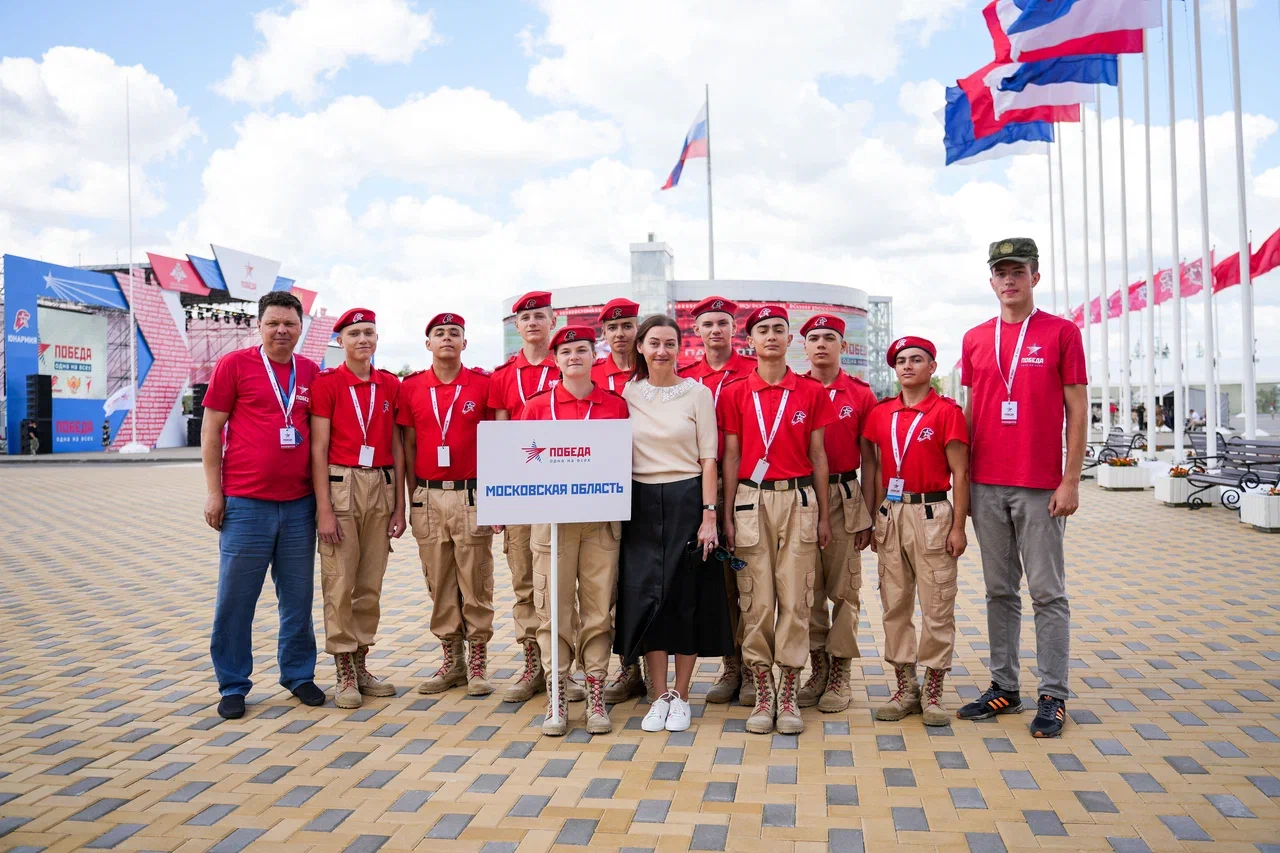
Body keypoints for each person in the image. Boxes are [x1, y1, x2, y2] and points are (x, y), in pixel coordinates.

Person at [958, 238, 1087, 739]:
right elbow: (971, 412)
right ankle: (1004, 686)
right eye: (1001, 272)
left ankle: (1053, 693)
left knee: (1048, 593)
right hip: (987, 483)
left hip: (1039, 485)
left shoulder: (1061, 333)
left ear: (1035, 277)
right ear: (991, 281)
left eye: (1019, 271)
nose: (1009, 280)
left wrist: (1070, 478)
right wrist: (964, 488)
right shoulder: (974, 338)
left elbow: (1077, 410)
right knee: (997, 591)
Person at [201, 291, 324, 720]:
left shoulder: (311, 372)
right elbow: (212, 430)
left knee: (297, 599)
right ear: (259, 326)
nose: (281, 331)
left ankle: (298, 674)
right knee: (236, 599)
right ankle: (233, 683)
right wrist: (215, 492)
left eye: (289, 323)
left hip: (297, 506)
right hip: (245, 505)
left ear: (300, 327)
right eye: (273, 323)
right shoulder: (234, 365)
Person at [720, 305, 835, 735]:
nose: (771, 336)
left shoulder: (809, 391)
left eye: (779, 330)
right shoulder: (734, 391)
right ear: (749, 341)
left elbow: (819, 455)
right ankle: (762, 691)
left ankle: (788, 692)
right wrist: (728, 513)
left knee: (796, 598)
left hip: (799, 498)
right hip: (751, 500)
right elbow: (731, 454)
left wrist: (824, 514)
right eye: (762, 330)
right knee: (756, 599)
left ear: (791, 340)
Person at [614, 315, 731, 733]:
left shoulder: (698, 394)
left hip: (687, 498)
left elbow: (709, 459)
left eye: (669, 343)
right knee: (648, 597)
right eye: (653, 343)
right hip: (640, 502)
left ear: (680, 348)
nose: (661, 351)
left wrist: (708, 514)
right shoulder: (626, 393)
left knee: (685, 597)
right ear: (640, 348)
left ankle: (682, 696)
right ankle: (657, 694)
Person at [521, 325, 630, 736]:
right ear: (556, 359)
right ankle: (558, 691)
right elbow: (519, 462)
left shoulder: (613, 406)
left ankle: (597, 689)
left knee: (600, 608)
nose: (574, 357)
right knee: (554, 609)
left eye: (582, 350)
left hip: (600, 521)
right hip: (553, 523)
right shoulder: (537, 407)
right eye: (566, 352)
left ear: (593, 355)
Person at [861, 336, 969, 727]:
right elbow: (871, 468)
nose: (907, 366)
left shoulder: (946, 412)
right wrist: (874, 518)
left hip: (932, 513)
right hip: (892, 513)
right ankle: (905, 686)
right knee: (895, 603)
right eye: (901, 360)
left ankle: (934, 688)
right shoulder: (881, 413)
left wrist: (958, 525)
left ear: (931, 367)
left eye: (917, 360)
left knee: (937, 602)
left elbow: (961, 472)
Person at [396, 313, 499, 697]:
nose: (447, 339)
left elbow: (495, 442)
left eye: (455, 333)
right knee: (438, 581)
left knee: (476, 580)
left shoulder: (482, 385)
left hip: (471, 494)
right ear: (428, 345)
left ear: (464, 343)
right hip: (427, 495)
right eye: (439, 334)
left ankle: (477, 662)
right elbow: (406, 446)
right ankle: (451, 660)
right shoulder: (411, 388)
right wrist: (409, 501)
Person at [488, 291, 583, 703]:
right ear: (516, 325)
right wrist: (502, 501)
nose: (532, 323)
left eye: (539, 316)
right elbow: (502, 438)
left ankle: (570, 670)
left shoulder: (569, 364)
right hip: (526, 493)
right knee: (526, 581)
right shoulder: (502, 376)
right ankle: (533, 665)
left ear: (552, 319)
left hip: (571, 490)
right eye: (524, 317)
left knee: (568, 584)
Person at [309, 308, 405, 709]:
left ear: (377, 339)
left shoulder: (389, 385)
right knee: (340, 580)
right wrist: (324, 510)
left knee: (370, 583)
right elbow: (318, 449)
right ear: (341, 342)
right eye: (354, 334)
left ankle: (362, 660)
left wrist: (401, 506)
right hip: (341, 484)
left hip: (380, 484)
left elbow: (399, 445)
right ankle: (343, 667)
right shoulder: (328, 383)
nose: (363, 339)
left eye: (369, 333)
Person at [680, 295, 758, 707]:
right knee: (714, 583)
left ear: (734, 329)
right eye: (707, 324)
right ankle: (729, 664)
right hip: (696, 489)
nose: (715, 330)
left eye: (722, 323)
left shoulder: (752, 371)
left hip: (743, 489)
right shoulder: (686, 378)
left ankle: (751, 669)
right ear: (697, 330)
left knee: (742, 576)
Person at [800, 314, 877, 713]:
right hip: (802, 497)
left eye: (830, 338)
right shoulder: (794, 389)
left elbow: (871, 460)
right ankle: (818, 666)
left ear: (842, 347)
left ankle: (841, 672)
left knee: (844, 590)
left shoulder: (861, 394)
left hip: (845, 495)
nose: (822, 344)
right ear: (805, 346)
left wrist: (869, 514)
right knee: (807, 588)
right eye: (814, 338)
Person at [590, 297, 650, 705]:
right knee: (610, 585)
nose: (621, 334)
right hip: (602, 493)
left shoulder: (655, 371)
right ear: (604, 335)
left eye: (627, 325)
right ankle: (628, 668)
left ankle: (651, 662)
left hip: (648, 487)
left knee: (645, 581)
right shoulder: (593, 375)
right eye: (613, 328)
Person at [592, 298, 640, 394]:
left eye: (627, 326)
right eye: (612, 328)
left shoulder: (653, 370)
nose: (619, 334)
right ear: (604, 333)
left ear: (638, 329)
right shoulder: (590, 375)